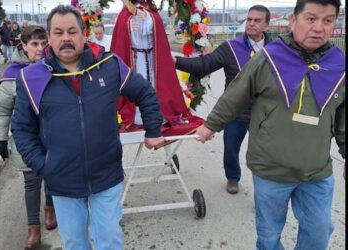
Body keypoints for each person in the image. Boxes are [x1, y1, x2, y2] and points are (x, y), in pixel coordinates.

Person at [11, 5, 165, 250]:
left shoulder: (109, 65)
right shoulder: (31, 78)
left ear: (83, 34)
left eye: (72, 31)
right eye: (59, 32)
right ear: (49, 37)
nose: (66, 38)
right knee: (74, 243)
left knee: (110, 240)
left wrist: (154, 130)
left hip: (106, 175)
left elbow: (144, 91)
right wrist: (44, 165)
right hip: (62, 181)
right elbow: (21, 128)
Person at [195, 0, 345, 249]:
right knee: (268, 234)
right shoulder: (269, 57)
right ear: (293, 21)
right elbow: (237, 93)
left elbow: (343, 118)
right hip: (270, 170)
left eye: (327, 21)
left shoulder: (339, 66)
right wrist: (211, 125)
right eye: (311, 18)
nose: (319, 27)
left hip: (316, 171)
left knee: (319, 231)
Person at [174, 5, 271, 194]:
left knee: (265, 154)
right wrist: (176, 62)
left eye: (257, 20)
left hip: (265, 113)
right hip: (236, 111)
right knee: (231, 149)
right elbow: (204, 65)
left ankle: (265, 186)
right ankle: (233, 178)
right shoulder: (231, 48)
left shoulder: (276, 49)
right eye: (249, 19)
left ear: (267, 25)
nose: (251, 23)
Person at [0, 25, 57, 250]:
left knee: (51, 174)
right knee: (31, 183)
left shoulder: (54, 68)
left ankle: (50, 208)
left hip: (52, 135)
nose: (40, 49)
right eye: (34, 44)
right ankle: (33, 227)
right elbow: (2, 110)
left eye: (43, 44)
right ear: (23, 46)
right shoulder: (13, 74)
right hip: (26, 138)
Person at [111, 0, 190, 129]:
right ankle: (138, 114)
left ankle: (156, 113)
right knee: (139, 85)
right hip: (135, 58)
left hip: (152, 58)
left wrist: (146, 18)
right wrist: (131, 24)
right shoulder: (125, 14)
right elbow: (122, 37)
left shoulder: (152, 12)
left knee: (154, 85)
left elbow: (155, 29)